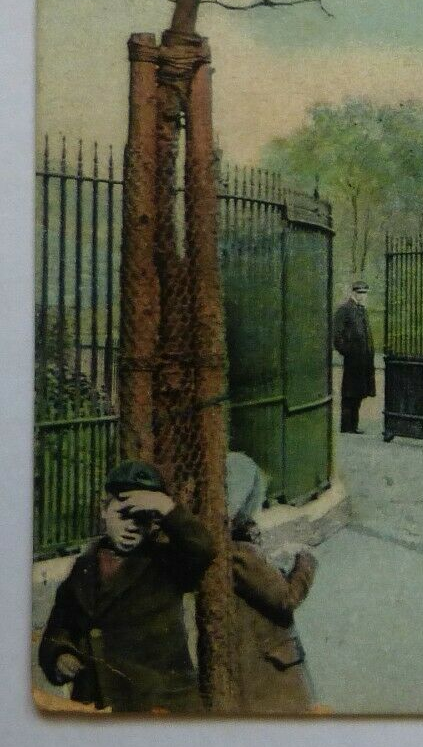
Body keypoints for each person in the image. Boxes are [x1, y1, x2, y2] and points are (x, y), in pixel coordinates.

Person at [38, 460, 217, 712]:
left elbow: (204, 549)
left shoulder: (165, 563)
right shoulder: (82, 569)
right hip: (98, 705)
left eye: (142, 519)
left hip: (161, 707)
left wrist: (165, 506)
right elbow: (59, 628)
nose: (132, 527)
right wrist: (59, 656)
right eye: (124, 515)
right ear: (103, 510)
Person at [223, 452, 319, 713]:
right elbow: (286, 598)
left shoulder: (235, 545)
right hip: (268, 668)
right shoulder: (240, 553)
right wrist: (306, 558)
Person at [332, 280, 375, 434]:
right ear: (353, 293)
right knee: (349, 394)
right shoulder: (345, 310)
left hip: (363, 361)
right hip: (352, 361)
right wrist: (347, 351)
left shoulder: (361, 310)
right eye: (360, 293)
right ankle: (346, 426)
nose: (363, 296)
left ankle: (353, 426)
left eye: (364, 294)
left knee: (358, 394)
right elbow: (336, 335)